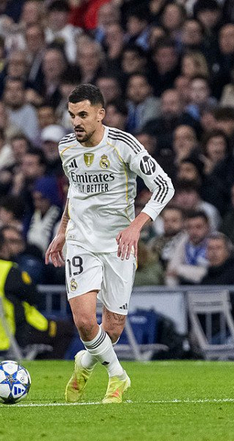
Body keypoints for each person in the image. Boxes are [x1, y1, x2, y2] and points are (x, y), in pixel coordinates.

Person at [45, 84, 174, 404]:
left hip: (119, 244)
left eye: (83, 115)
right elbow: (75, 192)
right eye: (72, 115)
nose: (76, 122)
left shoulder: (123, 145)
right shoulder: (66, 147)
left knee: (112, 329)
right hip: (81, 241)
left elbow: (164, 186)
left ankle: (85, 362)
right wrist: (62, 230)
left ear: (100, 114)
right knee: (85, 321)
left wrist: (135, 227)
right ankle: (118, 375)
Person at [0, 229, 72, 359]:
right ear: (3, 247)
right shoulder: (8, 271)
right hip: (14, 332)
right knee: (66, 329)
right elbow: (34, 297)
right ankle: (46, 366)